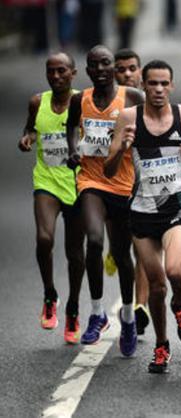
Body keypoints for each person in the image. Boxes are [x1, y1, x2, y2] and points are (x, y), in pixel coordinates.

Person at [105, 59, 181, 373]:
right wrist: (122, 147)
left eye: (164, 83)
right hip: (142, 212)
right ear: (144, 86)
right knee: (156, 284)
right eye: (153, 83)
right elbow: (108, 170)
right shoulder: (128, 118)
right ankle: (162, 345)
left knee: (175, 271)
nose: (159, 89)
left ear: (172, 86)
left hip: (177, 208)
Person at [66, 45, 144, 355]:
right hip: (91, 180)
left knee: (123, 256)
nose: (100, 69)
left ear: (114, 67)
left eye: (106, 64)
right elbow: (72, 125)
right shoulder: (79, 99)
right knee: (95, 242)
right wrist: (73, 148)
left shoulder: (131, 97)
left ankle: (127, 315)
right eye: (94, 65)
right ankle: (97, 313)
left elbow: (155, 122)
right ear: (87, 70)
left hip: (123, 183)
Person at [18, 52, 85, 344]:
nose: (55, 76)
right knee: (44, 239)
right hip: (46, 180)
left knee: (75, 251)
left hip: (79, 182)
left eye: (61, 71)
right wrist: (28, 138)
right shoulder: (38, 102)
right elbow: (31, 127)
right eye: (51, 72)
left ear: (73, 73)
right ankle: (49, 294)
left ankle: (72, 307)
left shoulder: (84, 101)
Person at [111, 47, 153, 337]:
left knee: (143, 250)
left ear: (140, 71)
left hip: (145, 187)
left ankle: (141, 306)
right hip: (113, 186)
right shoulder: (108, 103)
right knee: (120, 249)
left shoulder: (153, 102)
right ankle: (112, 252)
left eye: (132, 68)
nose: (127, 74)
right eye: (121, 69)